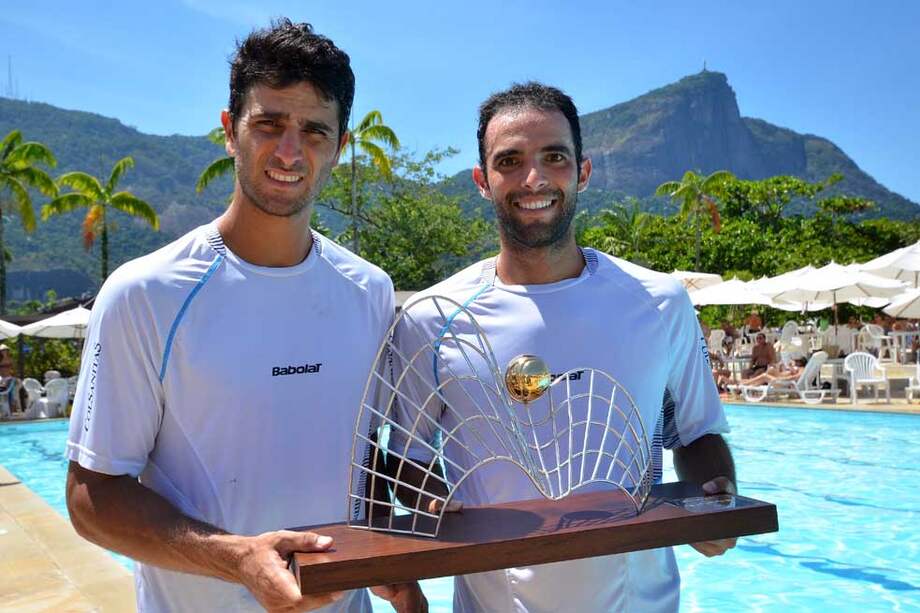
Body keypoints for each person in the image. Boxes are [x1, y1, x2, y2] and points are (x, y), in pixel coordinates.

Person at [64, 20, 423, 613]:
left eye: (313, 130)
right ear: (230, 131)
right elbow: (89, 496)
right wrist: (236, 559)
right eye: (269, 124)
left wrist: (401, 560)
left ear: (340, 145)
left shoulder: (369, 291)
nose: (289, 151)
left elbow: (363, 458)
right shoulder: (146, 294)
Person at [389, 82, 735, 612]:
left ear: (583, 171)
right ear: (482, 181)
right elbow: (405, 456)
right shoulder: (432, 318)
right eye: (510, 161)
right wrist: (434, 503)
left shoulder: (659, 301)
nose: (534, 179)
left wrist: (716, 499)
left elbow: (697, 431)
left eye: (554, 156)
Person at [0, 344, 25, 416]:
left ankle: (12, 410)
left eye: (5, 350)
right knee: (3, 394)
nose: (4, 352)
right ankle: (5, 411)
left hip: (10, 378)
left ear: (7, 351)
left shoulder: (11, 359)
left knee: (12, 393)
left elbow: (14, 370)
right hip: (2, 379)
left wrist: (16, 377)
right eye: (2, 350)